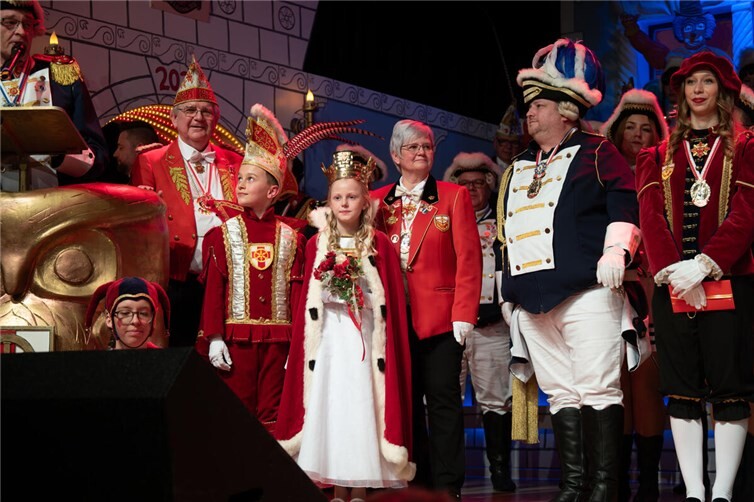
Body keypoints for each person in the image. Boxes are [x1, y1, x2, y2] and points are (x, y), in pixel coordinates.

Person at [498, 38, 641, 502]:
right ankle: (575, 485)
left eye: (538, 106)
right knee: (560, 393)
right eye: (529, 107)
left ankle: (604, 488)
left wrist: (616, 251)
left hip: (587, 293)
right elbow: (505, 233)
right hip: (532, 302)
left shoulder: (598, 151)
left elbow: (625, 201)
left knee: (598, 389)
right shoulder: (517, 166)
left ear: (566, 112)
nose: (529, 114)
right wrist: (506, 293)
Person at [635, 50, 754, 502]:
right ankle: (694, 491)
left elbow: (746, 213)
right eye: (690, 82)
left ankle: (722, 491)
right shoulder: (655, 154)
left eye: (707, 81)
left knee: (730, 387)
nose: (698, 89)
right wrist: (674, 271)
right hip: (673, 286)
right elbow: (650, 216)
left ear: (723, 91)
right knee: (681, 389)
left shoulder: (747, 146)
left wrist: (704, 265)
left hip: (730, 281)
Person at [276, 150, 415, 502]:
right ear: (329, 201)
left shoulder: (379, 245)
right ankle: (338, 488)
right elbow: (306, 297)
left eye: (352, 197)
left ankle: (360, 489)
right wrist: (330, 294)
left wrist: (360, 293)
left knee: (361, 403)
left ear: (365, 201)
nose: (344, 203)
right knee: (332, 403)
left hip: (364, 339)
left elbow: (389, 301)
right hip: (329, 340)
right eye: (337, 197)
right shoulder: (316, 243)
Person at [371, 120, 482, 499]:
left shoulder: (453, 196)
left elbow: (469, 258)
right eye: (413, 147)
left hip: (441, 319)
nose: (421, 152)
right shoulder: (377, 200)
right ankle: (417, 482)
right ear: (395, 155)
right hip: (392, 319)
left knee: (443, 402)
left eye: (427, 146)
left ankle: (449, 486)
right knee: (405, 403)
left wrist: (464, 312)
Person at [197, 103, 306, 433]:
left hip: (279, 342)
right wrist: (214, 337)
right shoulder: (221, 235)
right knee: (236, 411)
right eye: (240, 178)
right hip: (236, 339)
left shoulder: (293, 238)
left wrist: (298, 346)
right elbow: (215, 289)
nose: (241, 184)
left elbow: (297, 295)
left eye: (250, 179)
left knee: (274, 412)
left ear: (273, 191)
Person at [131, 56, 242, 348]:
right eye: (190, 110)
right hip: (178, 278)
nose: (198, 117)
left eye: (206, 111)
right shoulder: (150, 160)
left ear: (215, 119)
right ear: (174, 118)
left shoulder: (236, 161)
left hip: (230, 279)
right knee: (179, 355)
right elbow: (140, 228)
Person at [601, 88, 669, 502]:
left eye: (646, 128)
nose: (639, 135)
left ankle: (647, 483)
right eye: (631, 127)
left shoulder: (665, 174)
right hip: (607, 290)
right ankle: (617, 481)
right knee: (614, 386)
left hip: (650, 288)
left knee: (646, 383)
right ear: (617, 133)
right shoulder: (601, 175)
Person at [442, 151, 516, 493]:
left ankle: (499, 470)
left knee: (497, 401)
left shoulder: (503, 225)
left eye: (478, 183)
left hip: (491, 326)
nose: (471, 190)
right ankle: (448, 475)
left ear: (490, 186)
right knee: (445, 401)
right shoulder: (443, 222)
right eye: (464, 184)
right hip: (448, 327)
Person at [0, 0, 107, 191]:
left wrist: (58, 157)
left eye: (28, 24)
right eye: (10, 22)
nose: (21, 32)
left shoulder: (61, 76)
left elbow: (98, 155)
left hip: (49, 202)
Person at [84, 276, 170, 350]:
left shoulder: (167, 362)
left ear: (154, 320)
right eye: (125, 313)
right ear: (109, 319)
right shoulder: (99, 363)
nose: (135, 321)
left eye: (143, 313)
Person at [493, 103, 524, 171]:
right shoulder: (484, 168)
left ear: (520, 146)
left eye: (514, 142)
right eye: (503, 141)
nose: (508, 146)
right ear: (495, 142)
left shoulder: (524, 170)